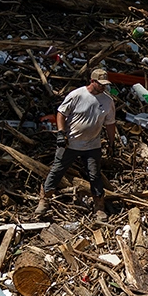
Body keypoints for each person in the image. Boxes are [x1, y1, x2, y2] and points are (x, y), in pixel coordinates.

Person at [36, 68, 117, 221]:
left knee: (95, 175)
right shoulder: (77, 95)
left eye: (105, 84)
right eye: (100, 84)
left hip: (92, 145)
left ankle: (99, 207)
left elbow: (110, 124)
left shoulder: (108, 101)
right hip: (70, 143)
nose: (103, 87)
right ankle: (44, 200)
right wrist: (61, 133)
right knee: (57, 171)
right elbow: (61, 113)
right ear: (92, 82)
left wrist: (111, 143)